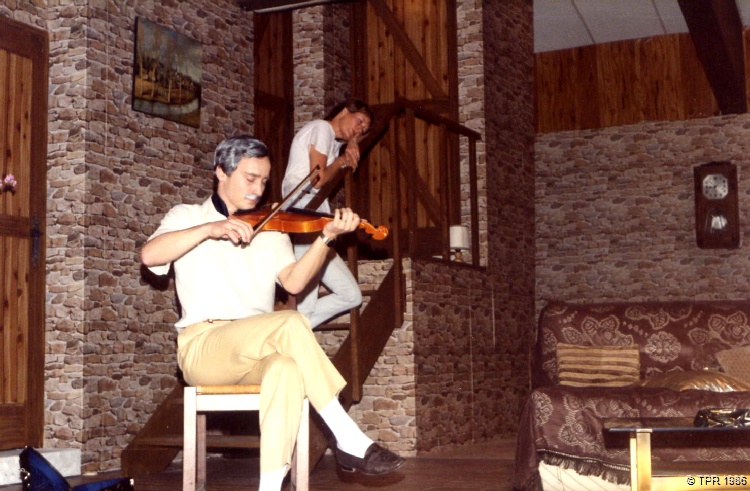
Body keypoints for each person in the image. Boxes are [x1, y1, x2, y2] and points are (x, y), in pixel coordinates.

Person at [141, 135, 404, 491]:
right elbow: (150, 256)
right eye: (250, 178)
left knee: (286, 369)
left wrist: (326, 238)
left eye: (264, 181)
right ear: (221, 172)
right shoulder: (187, 216)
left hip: (258, 349)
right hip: (204, 348)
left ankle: (270, 486)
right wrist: (209, 229)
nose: (258, 189)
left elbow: (294, 283)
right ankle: (348, 437)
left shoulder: (271, 228)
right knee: (291, 322)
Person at [281, 99, 373, 328]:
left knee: (351, 295)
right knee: (306, 304)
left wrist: (353, 141)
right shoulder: (322, 128)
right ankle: (291, 332)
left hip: (319, 217)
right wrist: (341, 161)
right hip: (304, 211)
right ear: (344, 111)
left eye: (364, 128)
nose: (360, 129)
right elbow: (318, 178)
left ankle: (290, 330)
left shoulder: (331, 140)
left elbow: (358, 136)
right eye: (360, 121)